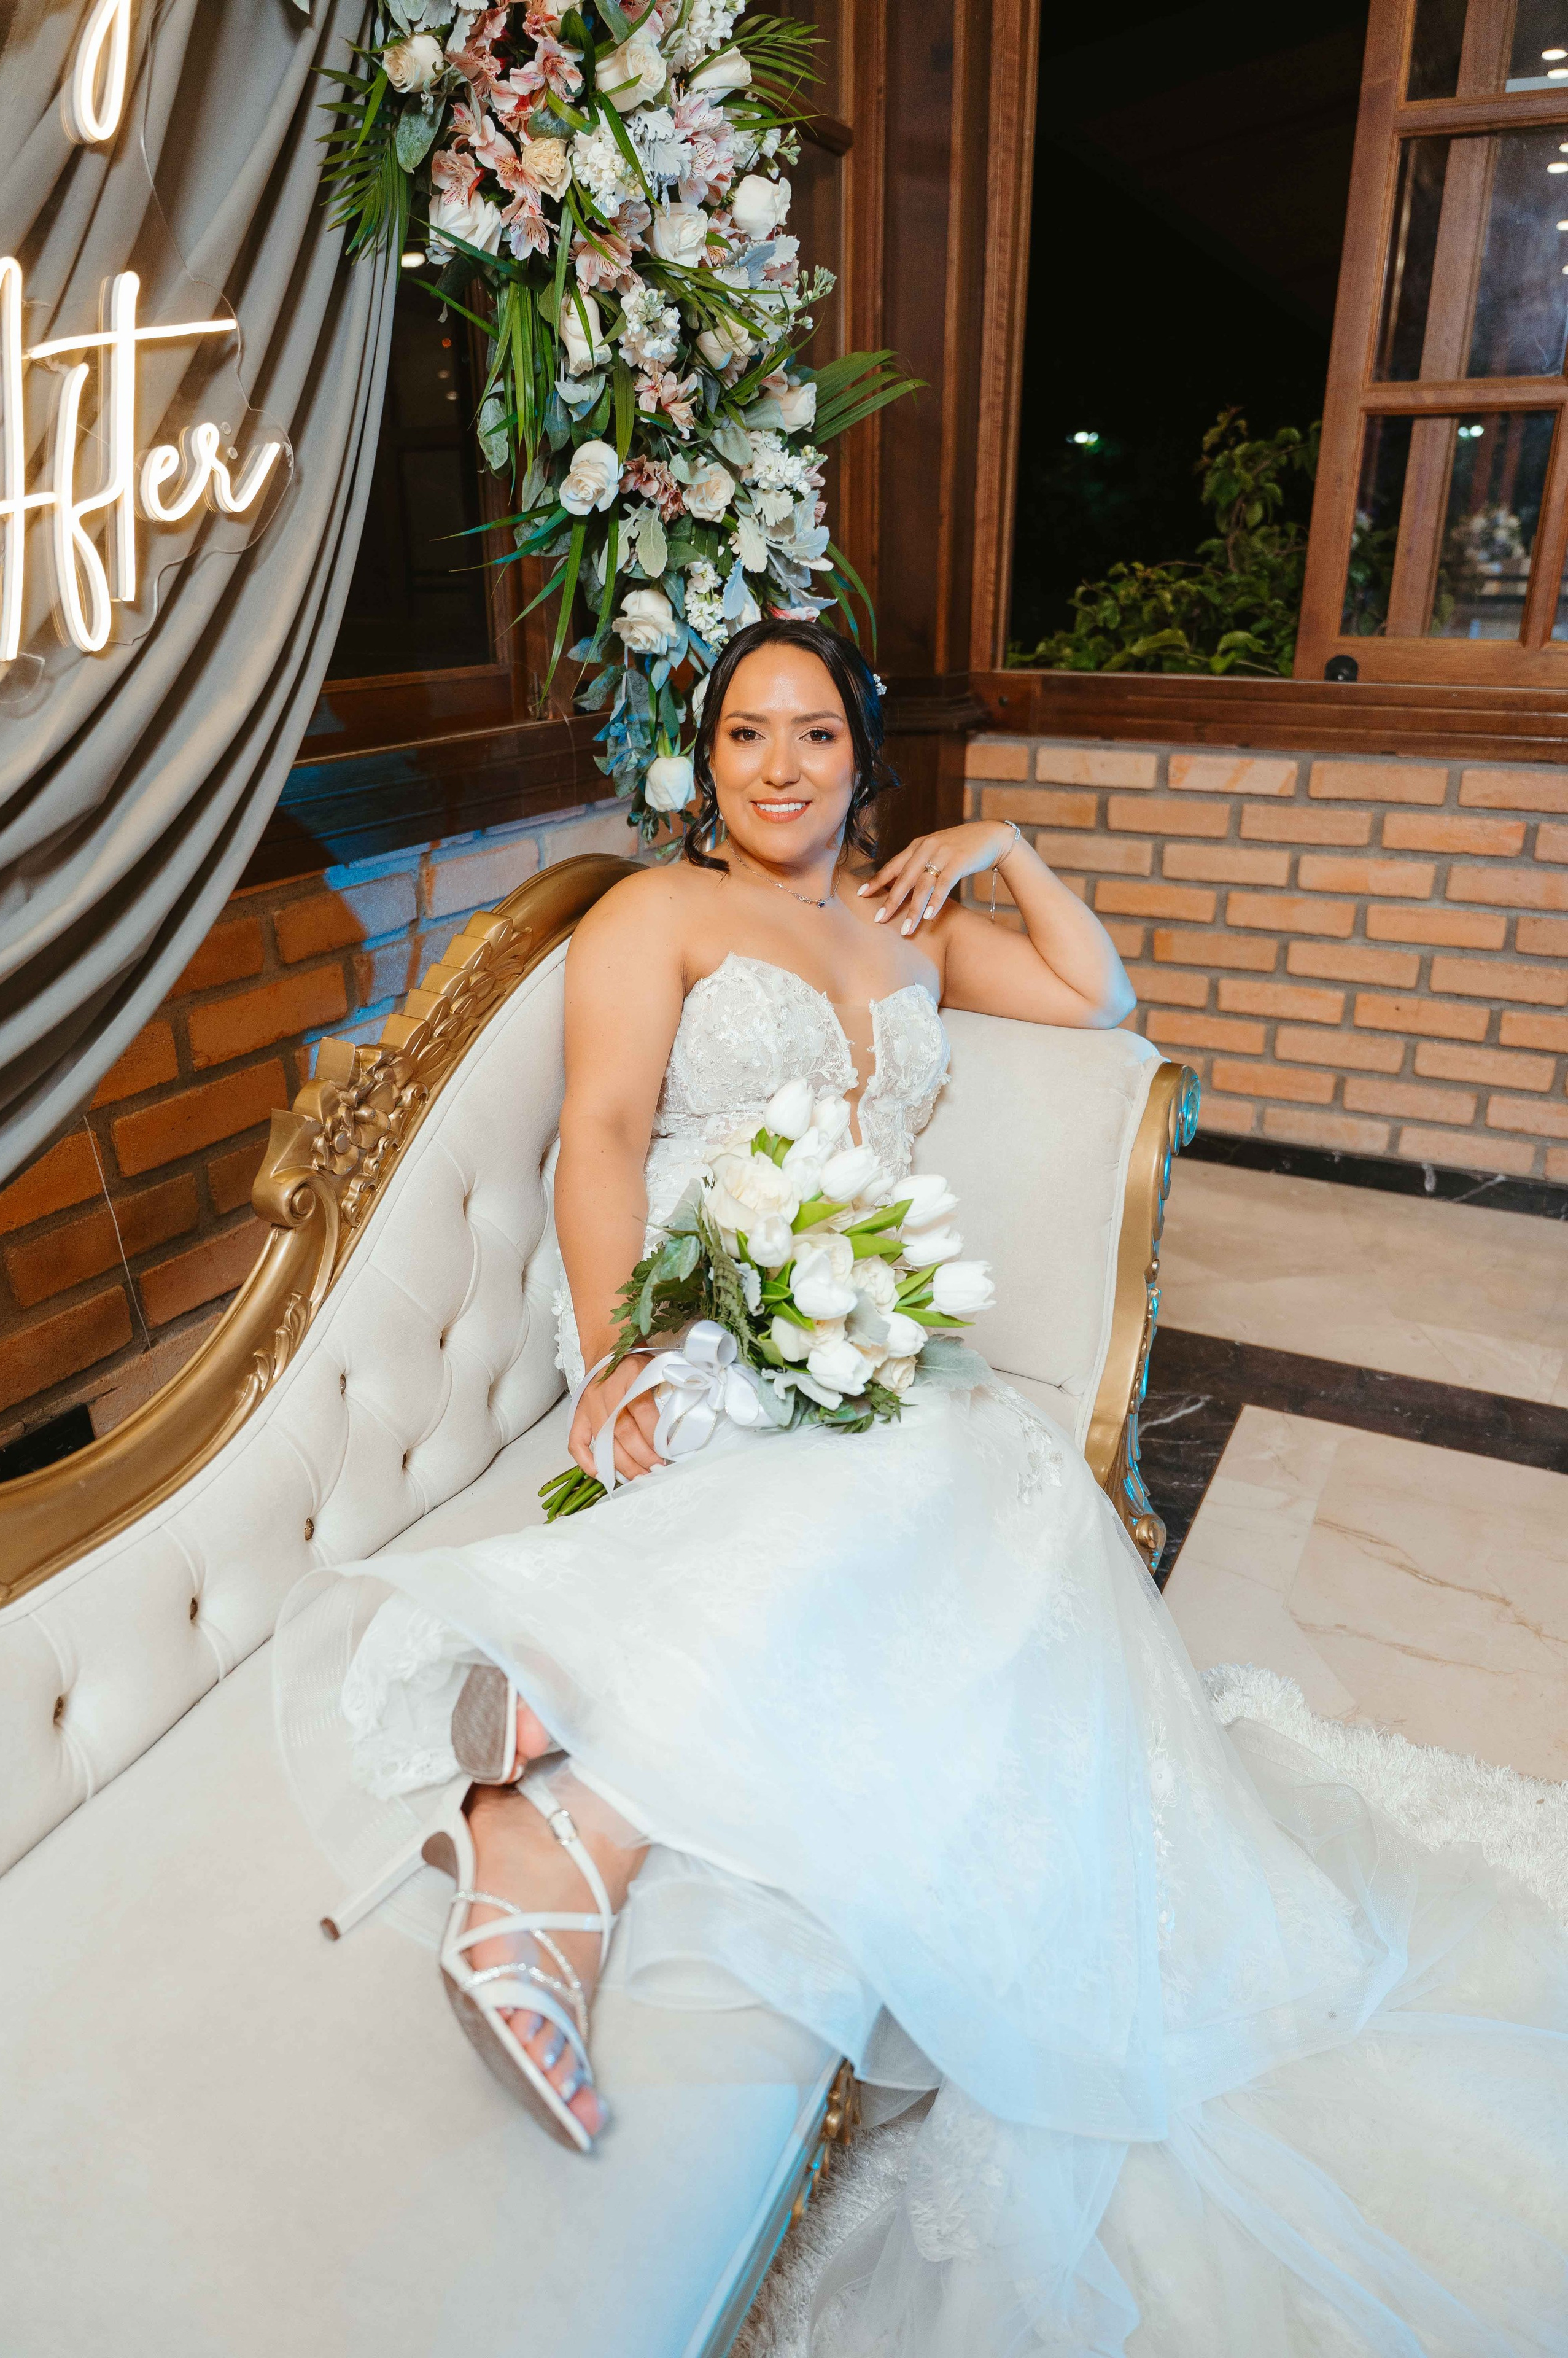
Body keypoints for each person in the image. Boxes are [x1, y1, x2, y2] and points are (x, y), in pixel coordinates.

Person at [278, 620, 1568, 2356]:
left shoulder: (910, 928)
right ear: (707, 757)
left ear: (865, 762)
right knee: (915, 1488)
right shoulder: (653, 916)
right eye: (748, 734)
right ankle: (557, 1845)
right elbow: (598, 1137)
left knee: (997, 1483)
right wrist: (609, 1360)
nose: (782, 767)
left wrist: (1014, 851)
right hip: (699, 1299)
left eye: (818, 735)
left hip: (863, 1328)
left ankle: (566, 1735)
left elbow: (1099, 998)